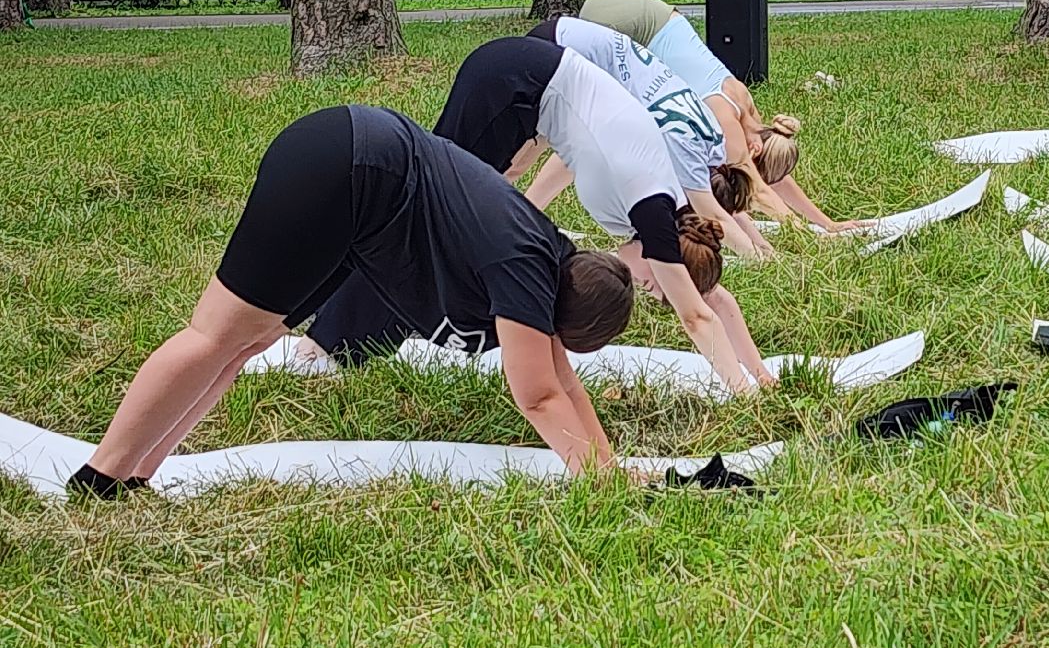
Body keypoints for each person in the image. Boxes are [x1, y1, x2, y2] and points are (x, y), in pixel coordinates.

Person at [68, 105, 642, 498]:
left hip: (359, 181)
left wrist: (606, 468)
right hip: (344, 168)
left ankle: (136, 476)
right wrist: (596, 480)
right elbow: (539, 392)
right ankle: (101, 478)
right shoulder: (523, 269)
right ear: (561, 319)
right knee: (216, 334)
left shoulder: (553, 256)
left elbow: (560, 379)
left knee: (247, 342)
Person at [432, 36, 769, 392]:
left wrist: (761, 374)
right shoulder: (652, 208)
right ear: (662, 255)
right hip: (517, 79)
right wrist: (743, 393)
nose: (645, 287)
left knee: (467, 188)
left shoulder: (673, 213)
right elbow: (696, 316)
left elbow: (715, 298)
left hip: (533, 86)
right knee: (438, 187)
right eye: (654, 283)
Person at [579, 0, 870, 232]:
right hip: (621, 22)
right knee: (589, 127)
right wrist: (804, 233)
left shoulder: (750, 113)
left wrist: (828, 223)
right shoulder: (726, 117)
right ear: (754, 150)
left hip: (643, 11)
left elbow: (776, 177)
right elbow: (760, 189)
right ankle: (536, 201)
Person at [526, 14, 772, 259]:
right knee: (551, 149)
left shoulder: (714, 145)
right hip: (562, 49)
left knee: (579, 142)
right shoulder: (683, 148)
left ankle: (525, 212)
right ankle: (523, 215)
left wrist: (763, 246)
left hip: (570, 37)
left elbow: (722, 208)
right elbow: (714, 213)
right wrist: (758, 259)